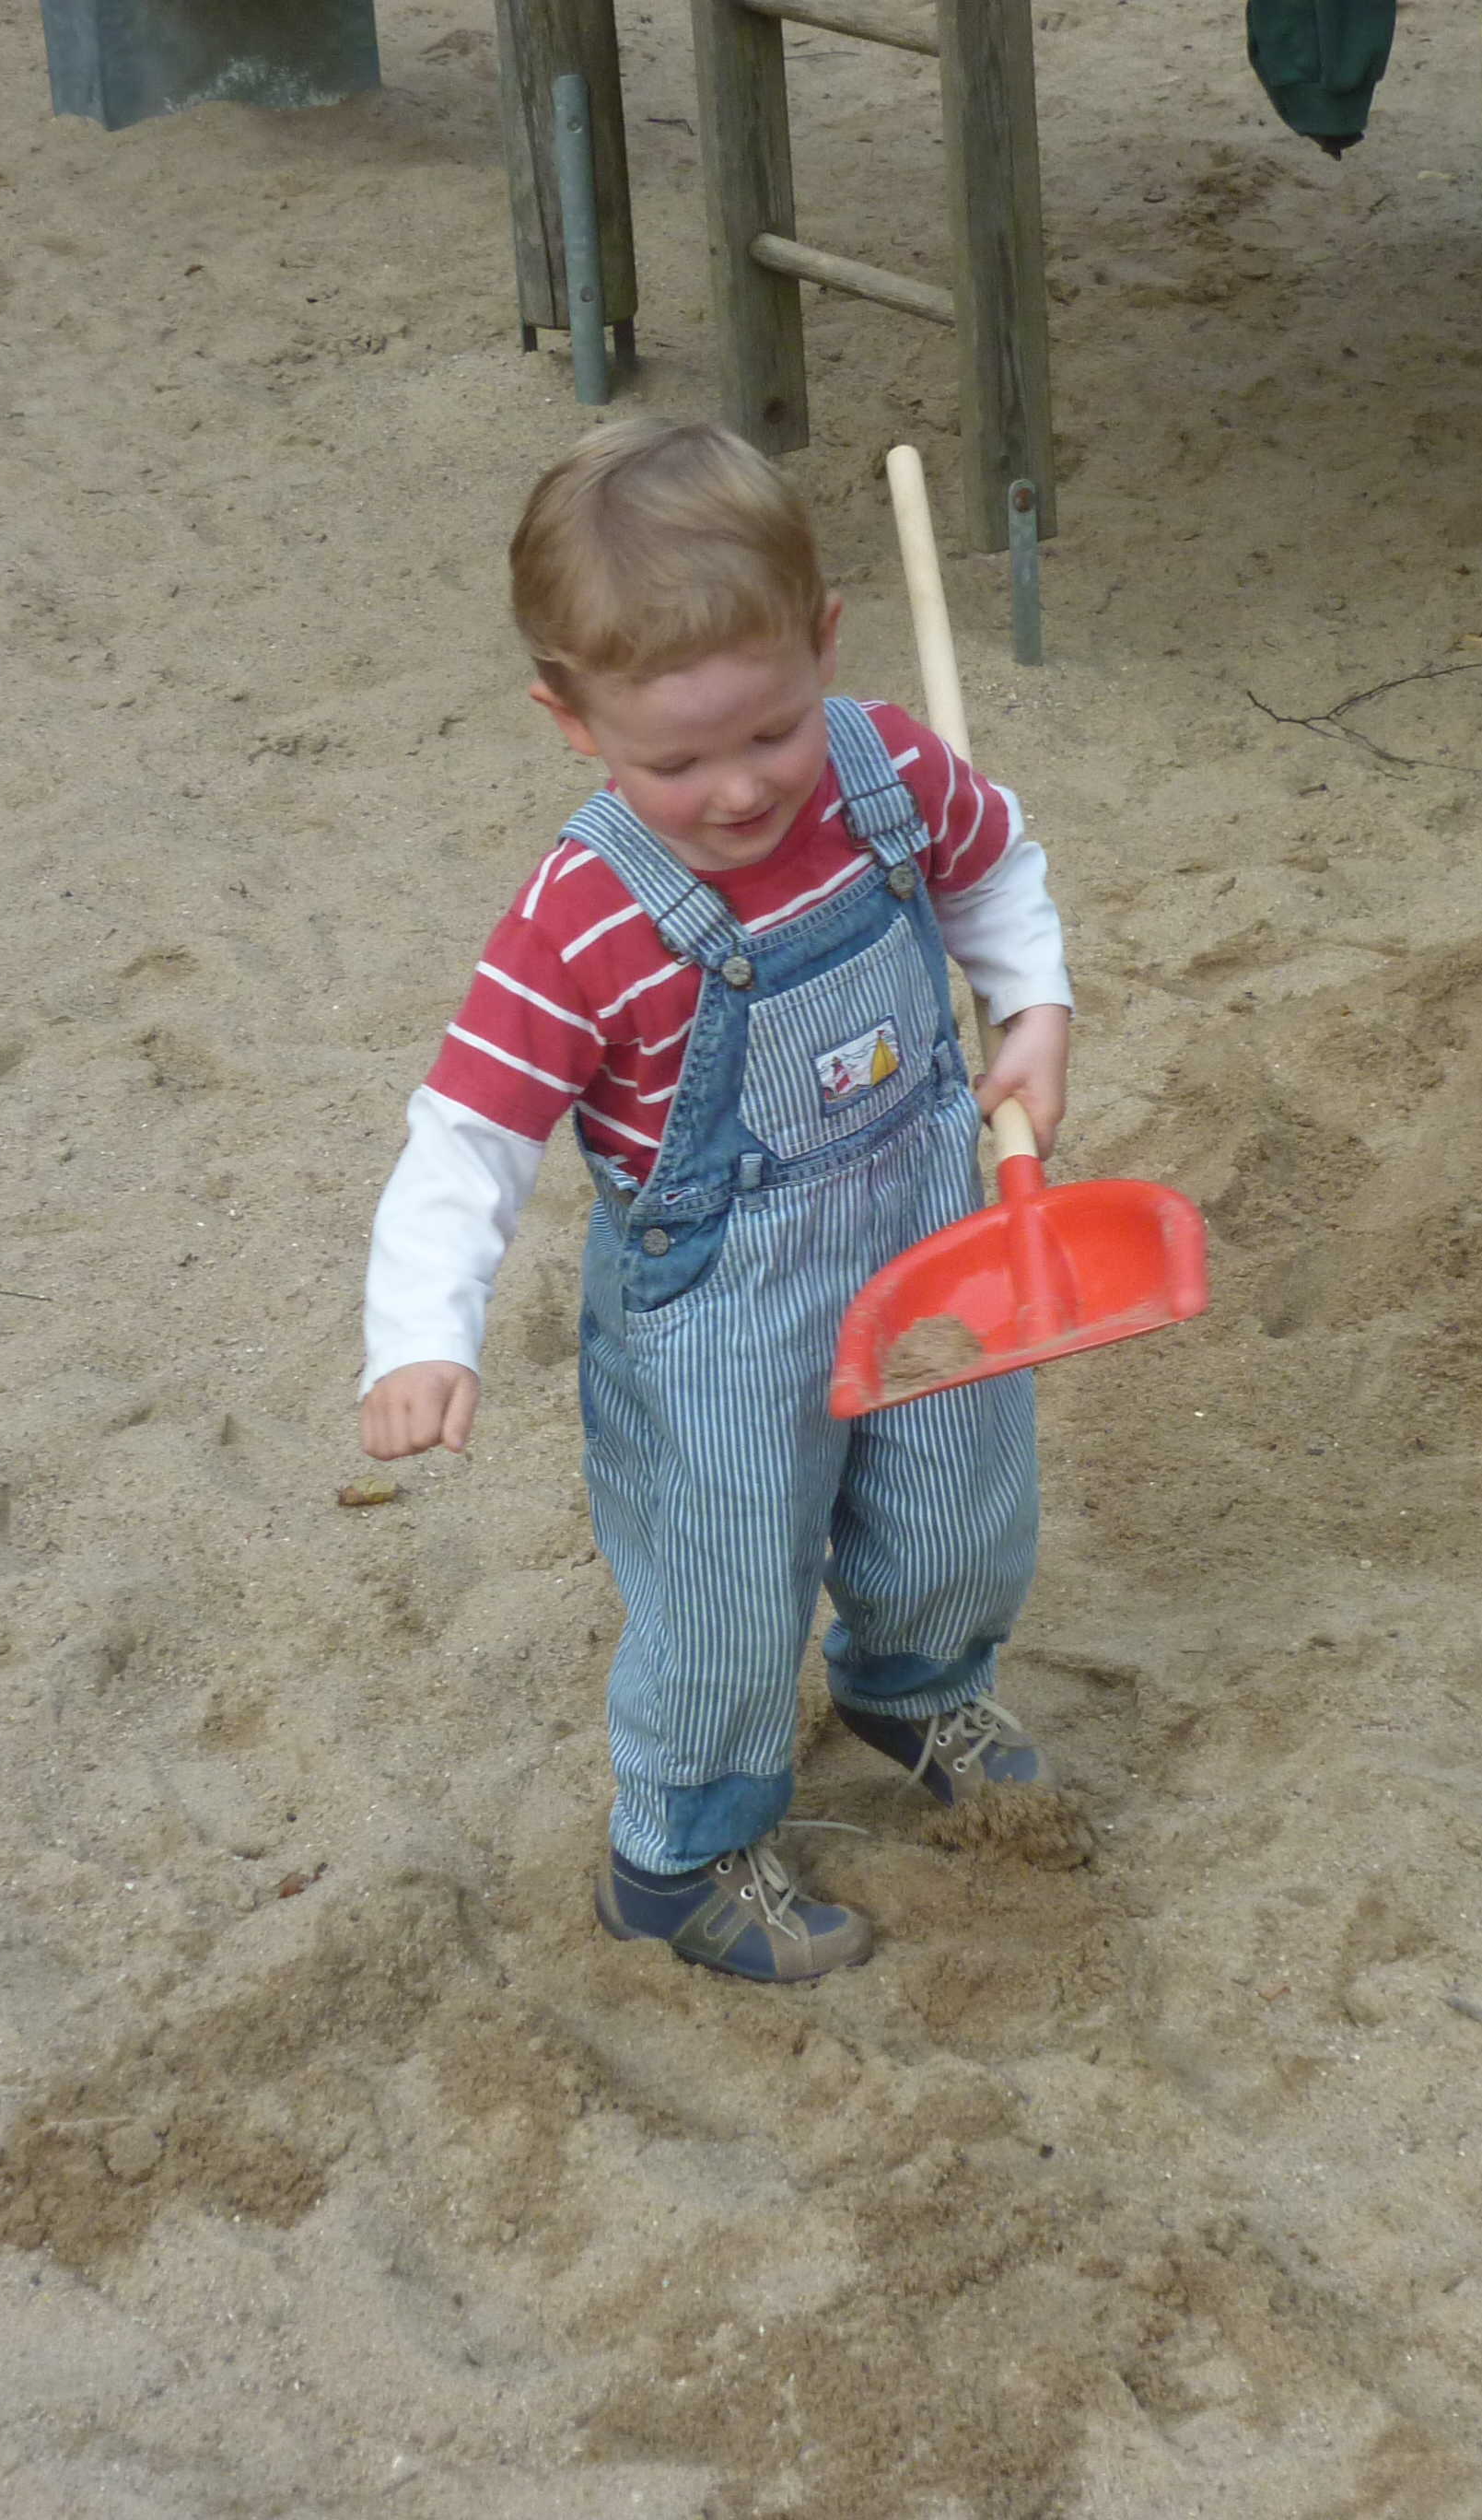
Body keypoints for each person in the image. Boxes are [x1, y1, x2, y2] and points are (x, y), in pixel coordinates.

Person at [357, 418, 1074, 1983]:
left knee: (962, 1501)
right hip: (721, 1328)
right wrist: (420, 1334)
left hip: (928, 1236)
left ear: (824, 644)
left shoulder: (890, 771)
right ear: (571, 719)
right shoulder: (579, 920)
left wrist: (1032, 1006)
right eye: (674, 762)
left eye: (770, 731)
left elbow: (994, 866)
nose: (739, 790)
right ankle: (677, 1859)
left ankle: (914, 1685)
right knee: (729, 1588)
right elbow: (468, 1137)